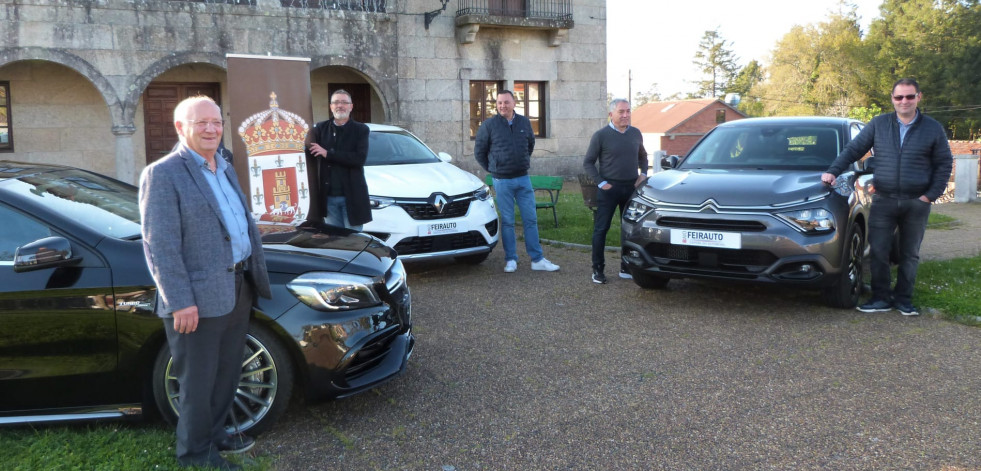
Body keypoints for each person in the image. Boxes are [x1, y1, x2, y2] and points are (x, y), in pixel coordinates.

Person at [139, 96, 272, 470]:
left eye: (216, 122)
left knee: (227, 373)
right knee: (198, 382)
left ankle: (215, 435)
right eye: (202, 124)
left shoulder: (224, 165)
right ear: (181, 128)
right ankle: (195, 454)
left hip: (237, 286)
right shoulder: (163, 174)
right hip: (195, 299)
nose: (212, 129)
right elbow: (160, 245)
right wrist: (180, 300)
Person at [821, 78, 952, 316]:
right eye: (899, 97)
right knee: (879, 251)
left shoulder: (932, 128)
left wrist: (930, 195)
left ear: (918, 98)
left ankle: (904, 300)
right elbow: (853, 149)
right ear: (892, 99)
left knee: (909, 253)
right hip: (883, 199)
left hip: (916, 202)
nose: (904, 101)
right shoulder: (879, 124)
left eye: (909, 96)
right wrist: (832, 171)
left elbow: (944, 163)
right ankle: (880, 298)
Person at [474, 89, 560, 273]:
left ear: (514, 104)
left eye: (506, 102)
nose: (502, 106)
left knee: (531, 219)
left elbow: (529, 145)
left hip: (523, 178)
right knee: (508, 221)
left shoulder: (524, 122)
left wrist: (521, 162)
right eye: (499, 103)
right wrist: (494, 168)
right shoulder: (489, 125)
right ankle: (511, 259)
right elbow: (479, 152)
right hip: (502, 181)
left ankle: (537, 259)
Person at [583, 98, 648, 284]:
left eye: (628, 111)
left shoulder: (635, 133)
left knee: (629, 230)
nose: (625, 115)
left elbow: (643, 157)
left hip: (631, 189)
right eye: (621, 112)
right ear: (611, 114)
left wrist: (643, 174)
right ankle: (598, 269)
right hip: (609, 189)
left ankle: (626, 266)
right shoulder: (601, 135)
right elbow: (588, 162)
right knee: (601, 229)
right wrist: (600, 182)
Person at [304, 89, 372, 230]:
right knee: (335, 244)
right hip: (328, 198)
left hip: (352, 197)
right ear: (330, 106)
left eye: (344, 102)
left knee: (354, 242)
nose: (339, 106)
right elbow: (307, 151)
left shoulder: (361, 130)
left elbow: (359, 159)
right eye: (336, 102)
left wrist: (328, 154)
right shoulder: (321, 129)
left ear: (351, 106)